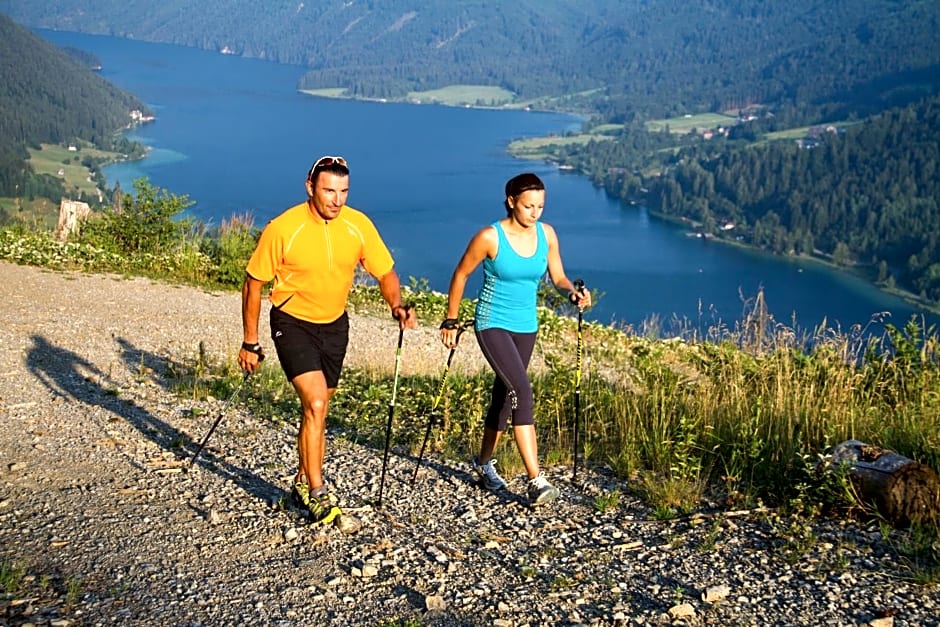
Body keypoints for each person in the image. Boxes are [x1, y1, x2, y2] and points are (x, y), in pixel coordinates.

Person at [238, 155, 417, 526]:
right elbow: (253, 283)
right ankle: (318, 493)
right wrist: (250, 341)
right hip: (292, 321)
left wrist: (396, 305)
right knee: (316, 402)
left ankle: (301, 483)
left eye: (343, 192)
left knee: (317, 409)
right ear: (310, 187)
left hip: (335, 325)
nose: (337, 200)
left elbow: (385, 271)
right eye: (329, 191)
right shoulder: (284, 228)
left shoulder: (357, 225)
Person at [440, 172, 590, 507]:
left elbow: (559, 276)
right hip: (492, 322)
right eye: (528, 206)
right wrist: (451, 320)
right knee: (522, 390)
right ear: (511, 201)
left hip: (526, 325)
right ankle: (536, 481)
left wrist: (572, 293)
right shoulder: (490, 237)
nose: (535, 212)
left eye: (540, 206)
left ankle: (482, 464)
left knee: (506, 398)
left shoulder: (546, 234)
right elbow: (461, 273)